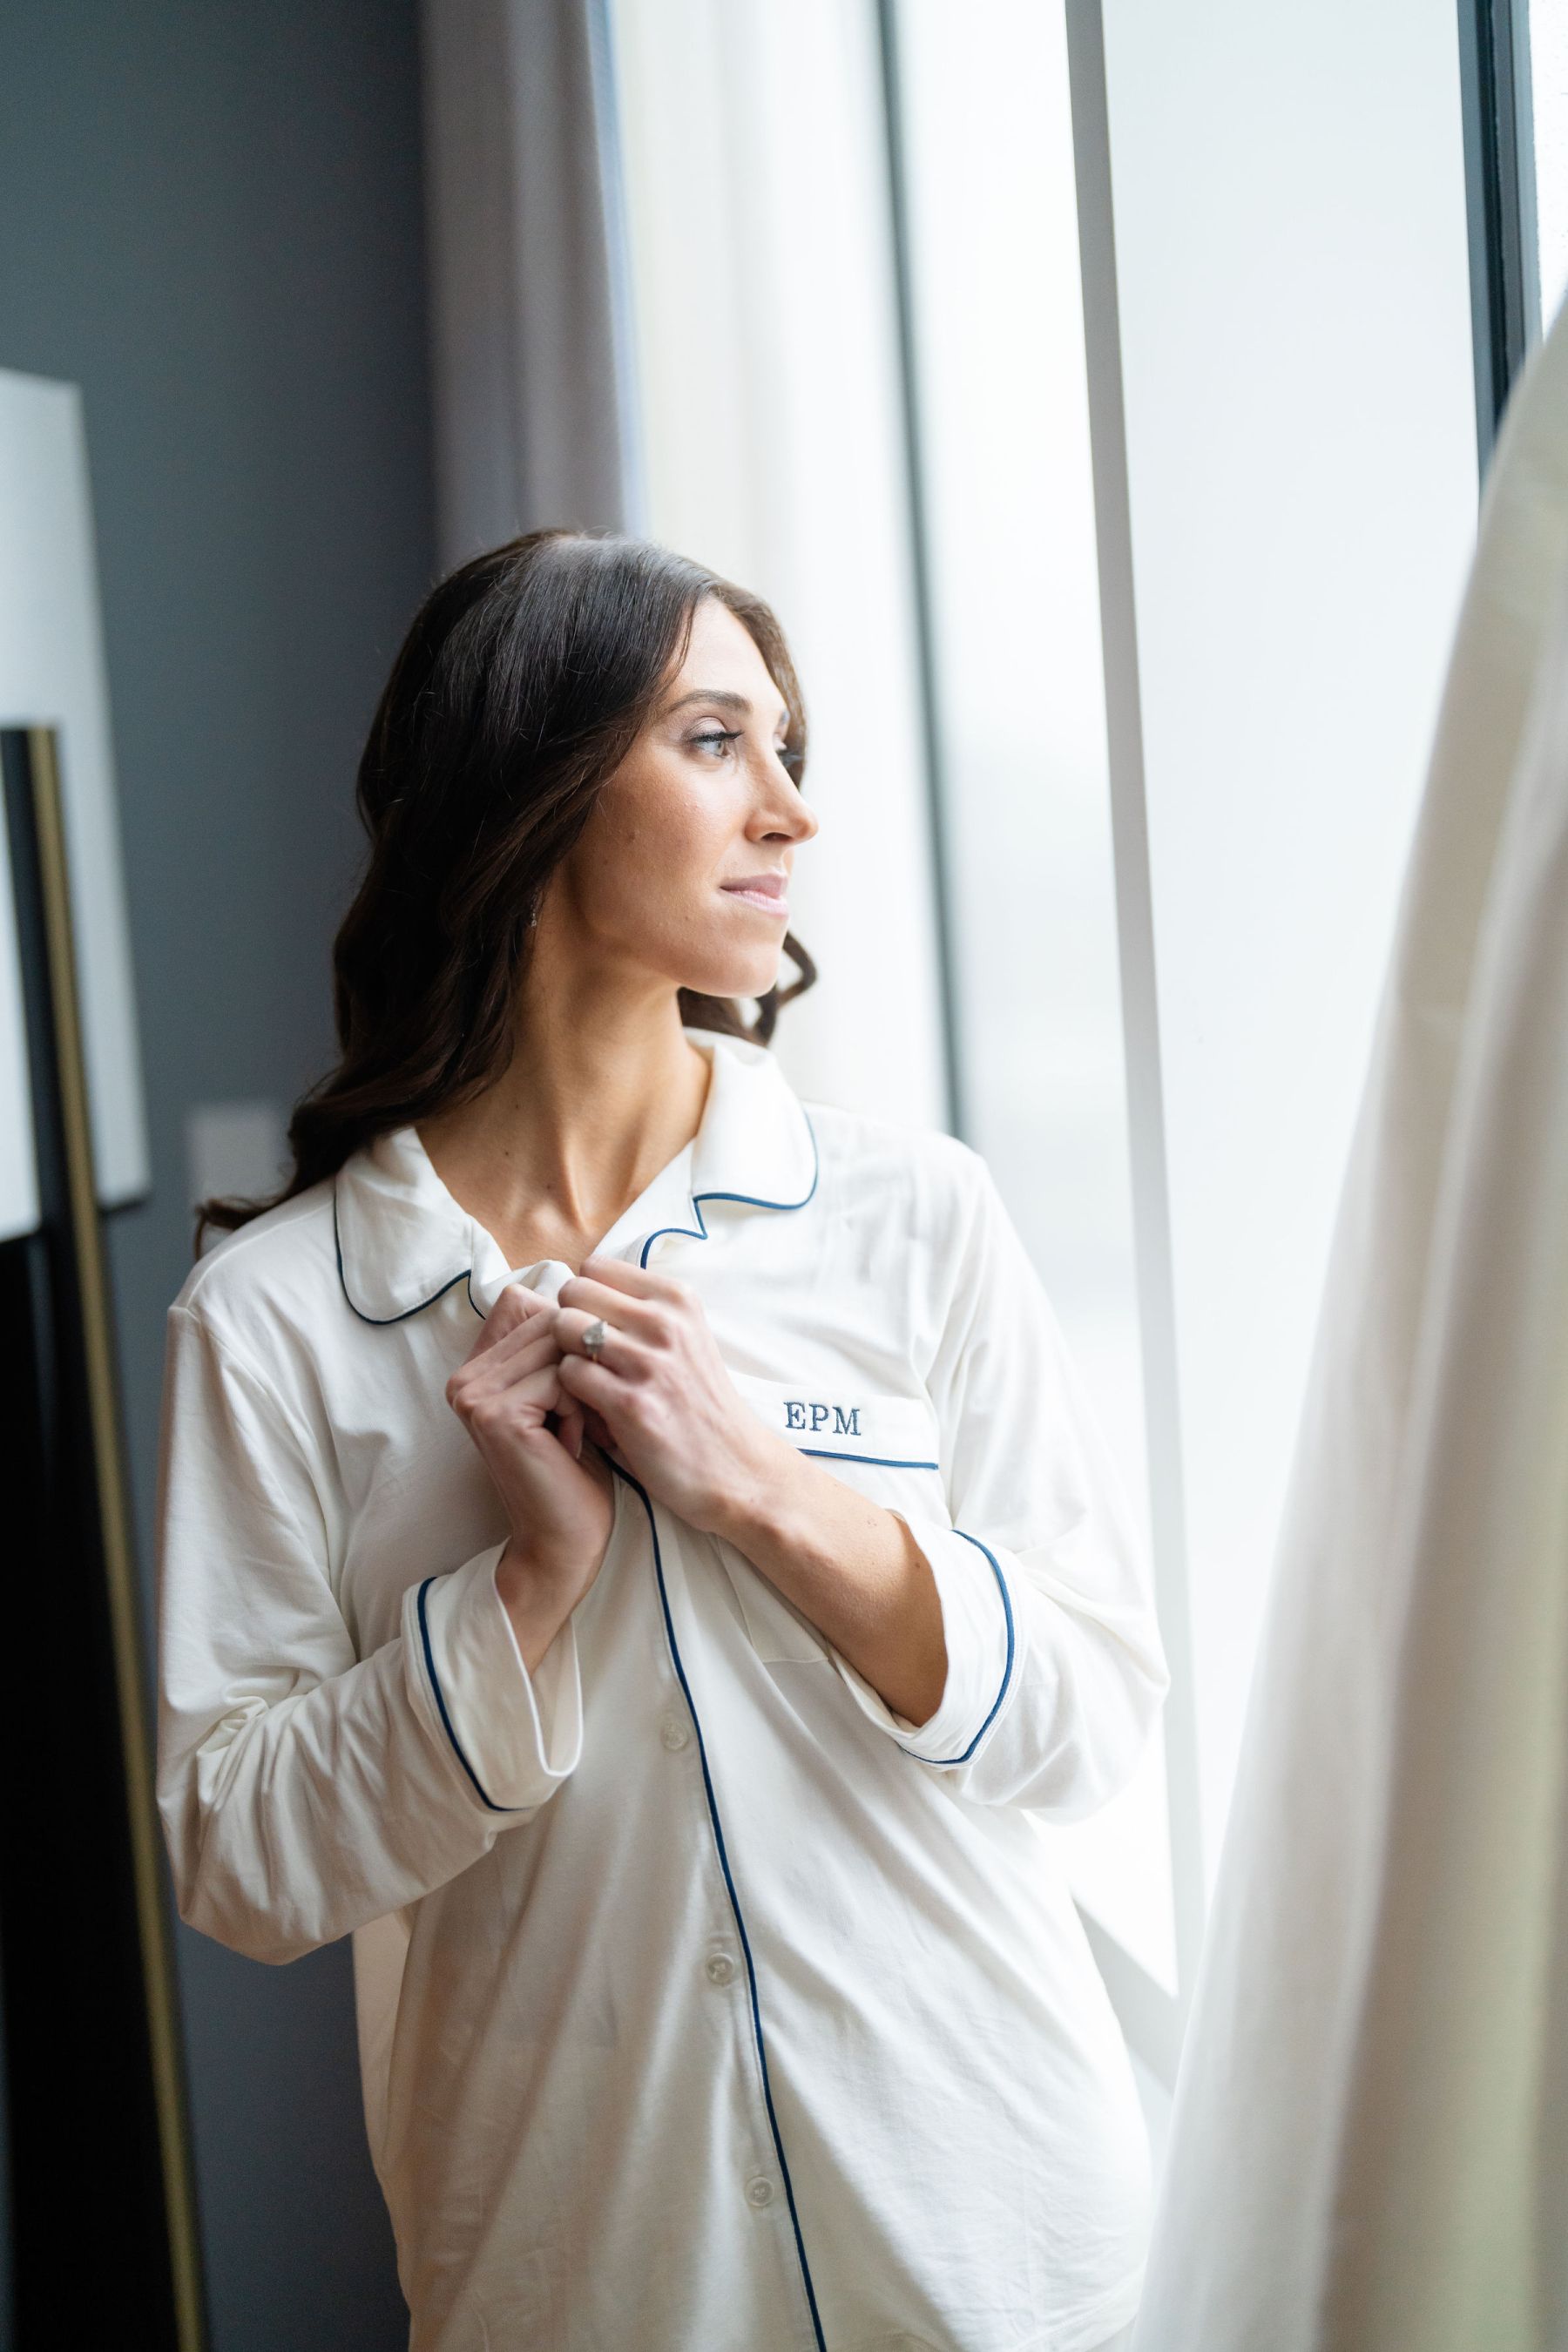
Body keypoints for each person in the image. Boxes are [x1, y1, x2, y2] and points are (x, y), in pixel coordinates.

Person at [155, 528, 1168, 2352]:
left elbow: (1093, 1713)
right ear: (527, 788)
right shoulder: (279, 1322)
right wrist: (522, 1593)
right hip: (587, 2271)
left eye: (790, 750)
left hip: (1002, 2238)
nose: (790, 812)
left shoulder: (911, 1217)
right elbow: (238, 1867)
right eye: (716, 741)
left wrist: (766, 1492)